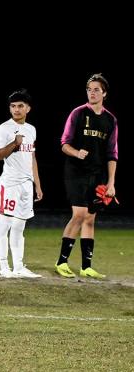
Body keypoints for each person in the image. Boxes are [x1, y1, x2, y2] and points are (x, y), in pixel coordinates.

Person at [55, 74, 118, 279]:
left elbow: (112, 154)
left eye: (96, 89)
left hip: (97, 174)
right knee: (79, 215)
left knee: (90, 219)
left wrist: (111, 182)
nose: (92, 92)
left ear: (104, 93)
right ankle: (62, 262)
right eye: (89, 89)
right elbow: (64, 144)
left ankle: (86, 266)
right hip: (75, 172)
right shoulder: (78, 113)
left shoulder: (110, 120)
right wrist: (77, 153)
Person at [0, 89, 43, 279]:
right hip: (10, 183)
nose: (16, 109)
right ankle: (3, 267)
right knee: (4, 224)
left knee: (20, 226)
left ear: (28, 108)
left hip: (26, 185)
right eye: (13, 106)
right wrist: (14, 144)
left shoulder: (31, 129)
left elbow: (32, 158)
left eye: (20, 106)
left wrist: (37, 184)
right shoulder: (4, 128)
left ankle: (19, 266)